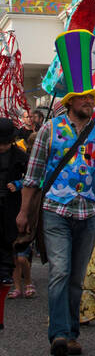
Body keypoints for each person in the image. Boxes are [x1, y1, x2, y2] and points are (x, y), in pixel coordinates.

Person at [17, 9, 95, 356]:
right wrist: (24, 213)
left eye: (93, 99)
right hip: (56, 211)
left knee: (76, 277)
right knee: (59, 271)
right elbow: (32, 176)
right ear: (70, 102)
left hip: (88, 213)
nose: (91, 103)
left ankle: (73, 333)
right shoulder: (49, 130)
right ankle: (58, 334)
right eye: (85, 99)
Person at [0, 117, 28, 287]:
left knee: (8, 237)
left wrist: (18, 184)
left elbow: (33, 178)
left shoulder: (20, 156)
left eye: (5, 143)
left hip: (11, 203)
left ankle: (5, 272)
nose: (2, 147)